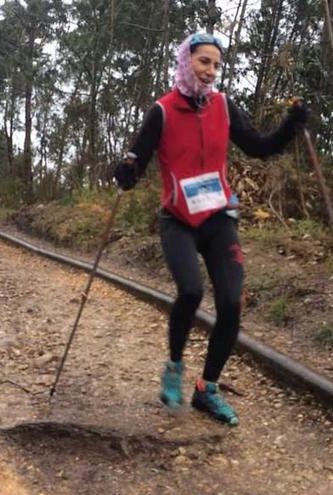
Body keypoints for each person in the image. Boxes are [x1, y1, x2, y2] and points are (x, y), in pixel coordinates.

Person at [113, 32, 308, 426]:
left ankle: (208, 389)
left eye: (216, 65)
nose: (210, 71)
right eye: (204, 61)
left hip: (219, 217)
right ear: (187, 62)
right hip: (178, 220)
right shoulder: (162, 112)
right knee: (190, 290)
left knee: (232, 303)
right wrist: (126, 172)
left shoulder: (223, 106)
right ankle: (174, 367)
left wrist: (290, 126)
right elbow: (134, 167)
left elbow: (259, 146)